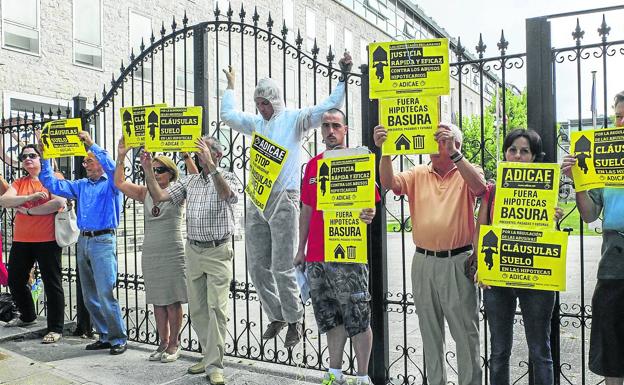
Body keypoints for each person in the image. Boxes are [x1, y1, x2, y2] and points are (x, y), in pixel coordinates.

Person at [220, 51, 352, 348]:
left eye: (265, 103)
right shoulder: (256, 123)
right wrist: (230, 86)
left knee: (282, 266)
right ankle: (276, 315)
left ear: (275, 101)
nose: (261, 108)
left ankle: (294, 320)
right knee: (256, 267)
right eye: (257, 103)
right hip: (257, 197)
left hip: (285, 198)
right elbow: (228, 116)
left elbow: (329, 107)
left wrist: (343, 75)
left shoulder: (294, 120)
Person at [374, 123, 486, 385]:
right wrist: (386, 151)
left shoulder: (467, 170)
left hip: (457, 261)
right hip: (423, 261)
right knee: (429, 331)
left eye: (443, 140)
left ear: (455, 144)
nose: (436, 146)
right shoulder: (418, 173)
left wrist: (456, 154)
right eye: (434, 140)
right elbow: (388, 183)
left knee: (465, 333)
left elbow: (481, 188)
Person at [142, 136, 241, 385]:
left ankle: (215, 365)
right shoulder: (190, 181)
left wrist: (212, 165)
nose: (199, 156)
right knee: (198, 311)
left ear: (216, 154)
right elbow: (160, 196)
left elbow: (227, 194)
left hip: (218, 251)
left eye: (204, 151)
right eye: (198, 152)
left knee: (216, 308)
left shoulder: (228, 177)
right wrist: (147, 171)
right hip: (194, 251)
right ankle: (208, 357)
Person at [294, 109, 377, 385]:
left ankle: (363, 376)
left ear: (345, 129)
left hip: (349, 252)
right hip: (318, 254)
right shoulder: (313, 166)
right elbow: (306, 208)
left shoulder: (359, 160)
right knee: (330, 316)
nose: (330, 130)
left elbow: (371, 204)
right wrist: (300, 249)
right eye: (326, 126)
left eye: (336, 125)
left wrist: (370, 214)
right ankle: (335, 372)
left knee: (357, 315)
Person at [475, 129, 560, 385]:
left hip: (536, 277)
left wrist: (552, 218)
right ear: (505, 153)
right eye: (513, 149)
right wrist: (481, 265)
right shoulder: (492, 190)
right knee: (499, 351)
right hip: (498, 278)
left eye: (525, 151)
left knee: (540, 352)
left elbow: (548, 236)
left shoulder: (546, 187)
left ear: (534, 157)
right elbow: (481, 230)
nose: (518, 156)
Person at [37, 130, 127, 355]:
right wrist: (45, 155)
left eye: (89, 160)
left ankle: (118, 338)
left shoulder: (112, 184)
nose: (85, 163)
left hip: (104, 240)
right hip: (84, 240)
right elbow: (51, 184)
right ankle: (105, 335)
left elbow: (114, 168)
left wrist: (93, 145)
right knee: (89, 295)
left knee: (106, 292)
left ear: (99, 163)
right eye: (85, 160)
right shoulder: (81, 185)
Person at [561, 91, 624, 385]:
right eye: (618, 116)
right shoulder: (604, 162)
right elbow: (588, 215)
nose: (620, 122)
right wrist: (579, 182)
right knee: (611, 351)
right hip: (613, 262)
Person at [115, 137, 190, 362]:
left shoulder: (179, 190)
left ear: (171, 173)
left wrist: (186, 154)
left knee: (172, 300)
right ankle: (162, 342)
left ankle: (175, 343)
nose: (156, 173)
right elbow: (119, 183)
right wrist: (121, 155)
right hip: (151, 250)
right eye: (153, 169)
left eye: (160, 170)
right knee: (157, 299)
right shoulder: (145, 192)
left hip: (172, 250)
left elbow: (194, 176)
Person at [0, 145, 66, 344]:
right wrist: (31, 198)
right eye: (24, 157)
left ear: (41, 159)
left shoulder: (54, 178)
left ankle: (56, 328)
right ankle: (28, 316)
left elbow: (57, 202)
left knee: (52, 283)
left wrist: (27, 210)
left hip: (47, 239)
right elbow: (4, 200)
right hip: (22, 239)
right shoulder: (20, 182)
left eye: (32, 155)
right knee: (15, 280)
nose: (27, 159)